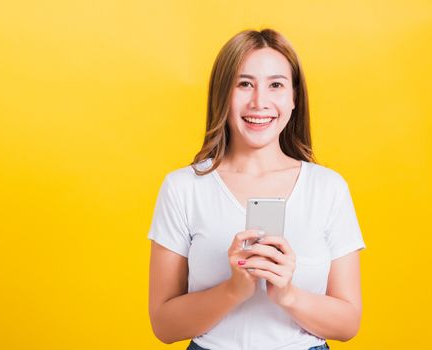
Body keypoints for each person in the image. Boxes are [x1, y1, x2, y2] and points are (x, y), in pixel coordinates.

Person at [147, 28, 366, 350]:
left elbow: (348, 324)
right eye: (244, 84)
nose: (259, 102)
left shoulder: (328, 188)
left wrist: (288, 294)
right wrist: (235, 289)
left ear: (294, 99)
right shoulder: (183, 188)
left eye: (276, 85)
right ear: (222, 94)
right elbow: (164, 326)